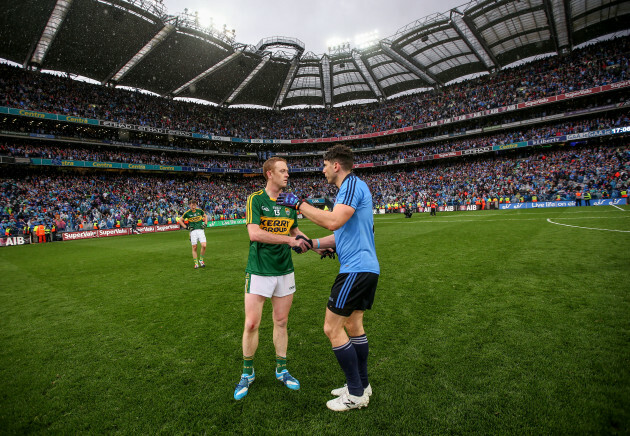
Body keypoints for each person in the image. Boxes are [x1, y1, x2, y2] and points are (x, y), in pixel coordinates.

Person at [277, 144, 379, 412]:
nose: (322, 170)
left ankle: (355, 394)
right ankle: (362, 385)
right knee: (354, 325)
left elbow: (333, 221)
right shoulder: (353, 188)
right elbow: (340, 234)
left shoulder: (352, 186)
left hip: (355, 269)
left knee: (332, 328)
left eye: (324, 165)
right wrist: (313, 242)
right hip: (364, 267)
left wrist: (299, 204)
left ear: (336, 165)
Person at [234, 157, 312, 401]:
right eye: (282, 171)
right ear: (269, 174)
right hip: (259, 270)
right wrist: (290, 241)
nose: (287, 174)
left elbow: (295, 231)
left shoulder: (289, 202)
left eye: (287, 170)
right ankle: (247, 373)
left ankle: (282, 370)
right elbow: (254, 233)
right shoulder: (255, 199)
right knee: (251, 324)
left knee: (281, 321)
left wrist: (316, 245)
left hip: (284, 270)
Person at [177, 199, 208, 269]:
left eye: (194, 205)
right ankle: (196, 263)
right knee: (194, 247)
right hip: (193, 232)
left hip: (200, 230)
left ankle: (201, 260)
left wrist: (205, 224)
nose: (193, 206)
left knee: (204, 245)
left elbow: (205, 216)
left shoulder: (200, 211)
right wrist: (186, 227)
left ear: (196, 205)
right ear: (189, 205)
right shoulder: (187, 213)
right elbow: (180, 220)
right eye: (192, 205)